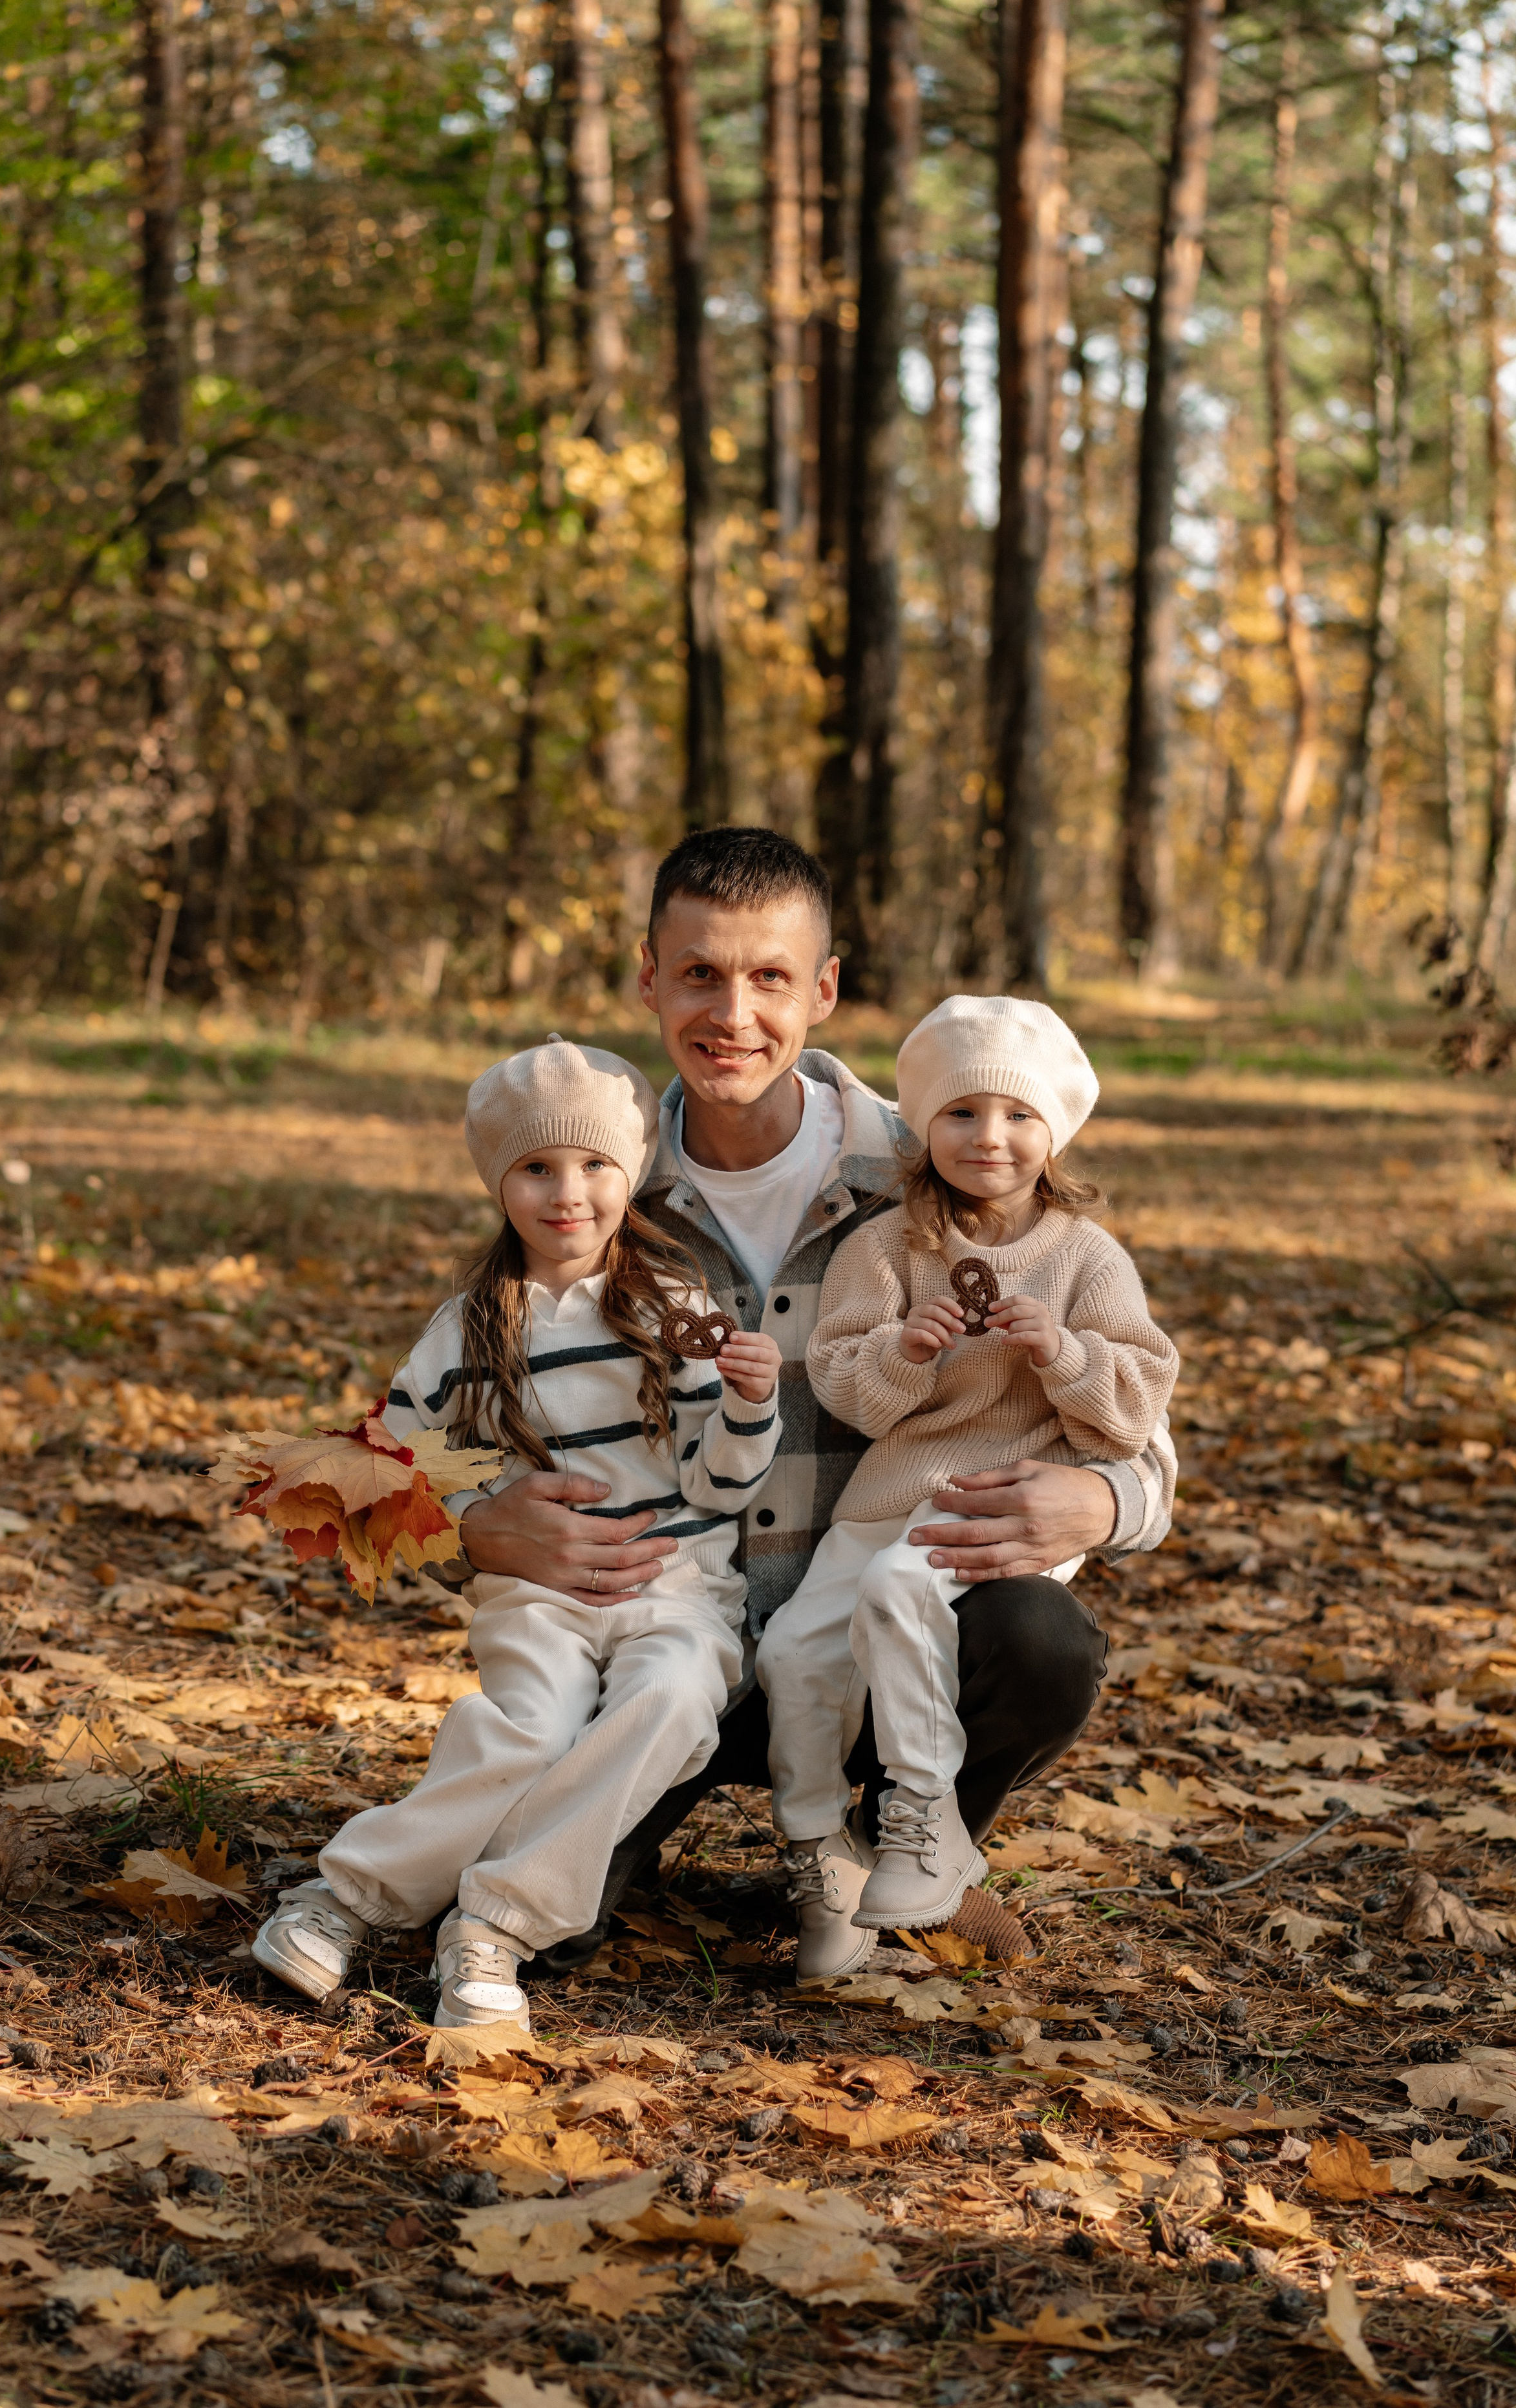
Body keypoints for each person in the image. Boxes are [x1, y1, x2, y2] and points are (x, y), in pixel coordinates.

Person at [438, 828, 1178, 1979]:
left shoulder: (943, 1159)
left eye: (770, 976)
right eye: (699, 973)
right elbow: (457, 1394)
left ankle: (903, 1844)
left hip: (879, 1633)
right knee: (547, 1932)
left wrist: (1103, 1499)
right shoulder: (590, 1181)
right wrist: (468, 1521)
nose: (733, 1011)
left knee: (1039, 1640)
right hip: (665, 1643)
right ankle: (633, 1825)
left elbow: (1149, 1436)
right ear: (650, 977)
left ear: (823, 989)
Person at [250, 1035, 782, 2023]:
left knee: (671, 1703)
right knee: (527, 1728)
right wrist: (473, 1518)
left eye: (593, 1166)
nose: (567, 1192)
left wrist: (751, 1405)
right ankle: (345, 1898)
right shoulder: (466, 1329)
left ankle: (495, 1923)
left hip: (675, 1584)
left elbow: (723, 1477)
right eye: (537, 1168)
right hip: (538, 1593)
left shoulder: (675, 1309)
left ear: (632, 1174)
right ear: (501, 1183)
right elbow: (395, 1465)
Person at [756, 995, 1179, 1959]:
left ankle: (921, 1817)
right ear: (924, 1125)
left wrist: (1064, 1353)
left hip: (1001, 1503)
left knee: (906, 1588)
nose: (991, 1137)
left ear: (1056, 1131)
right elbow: (850, 1391)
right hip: (888, 1496)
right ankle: (826, 1854)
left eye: (1019, 1115)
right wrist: (907, 1351)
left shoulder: (1084, 1257)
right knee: (792, 1655)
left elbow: (1137, 1401)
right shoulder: (890, 1246)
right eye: (962, 1112)